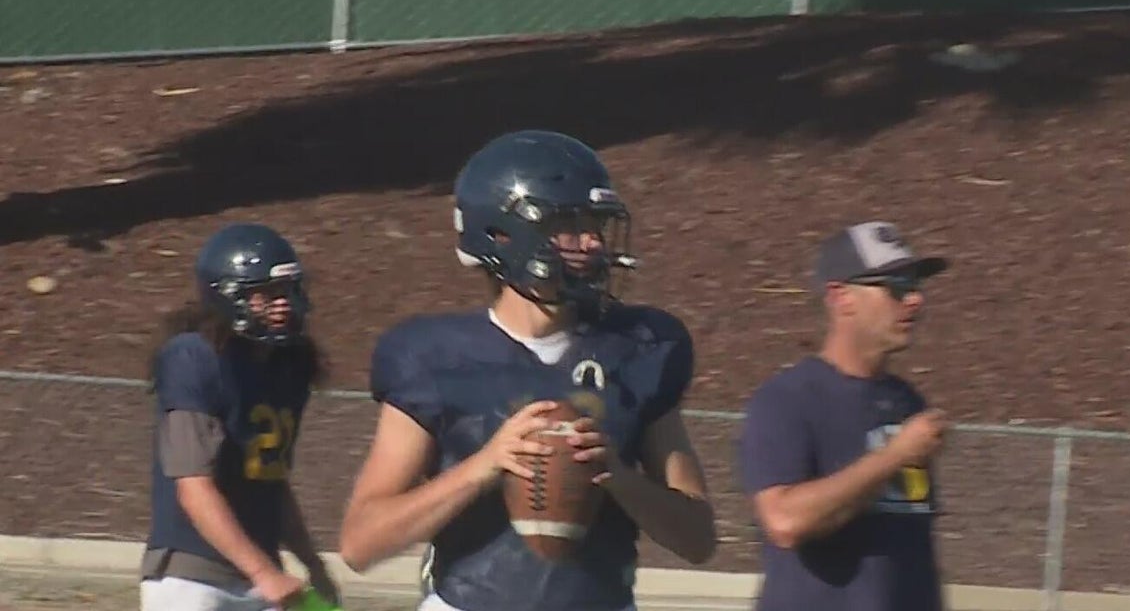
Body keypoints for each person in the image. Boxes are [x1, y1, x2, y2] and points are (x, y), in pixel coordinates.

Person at [339, 129, 717, 611]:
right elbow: (361, 543)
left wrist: (618, 477)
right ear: (502, 234)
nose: (592, 243)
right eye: (569, 225)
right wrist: (485, 466)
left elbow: (698, 538)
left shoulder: (639, 347)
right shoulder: (434, 357)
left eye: (596, 226)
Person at [737, 221, 951, 611]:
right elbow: (784, 521)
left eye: (917, 285)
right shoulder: (787, 400)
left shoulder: (907, 402)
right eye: (897, 286)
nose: (915, 299)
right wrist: (895, 456)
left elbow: (911, 547)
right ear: (840, 296)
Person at [140, 222, 340, 611]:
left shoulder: (286, 365)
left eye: (288, 291)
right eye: (267, 293)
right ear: (229, 296)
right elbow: (193, 486)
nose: (283, 304)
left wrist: (312, 563)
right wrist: (265, 573)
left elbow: (271, 482)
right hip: (192, 575)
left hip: (257, 574)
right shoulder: (193, 356)